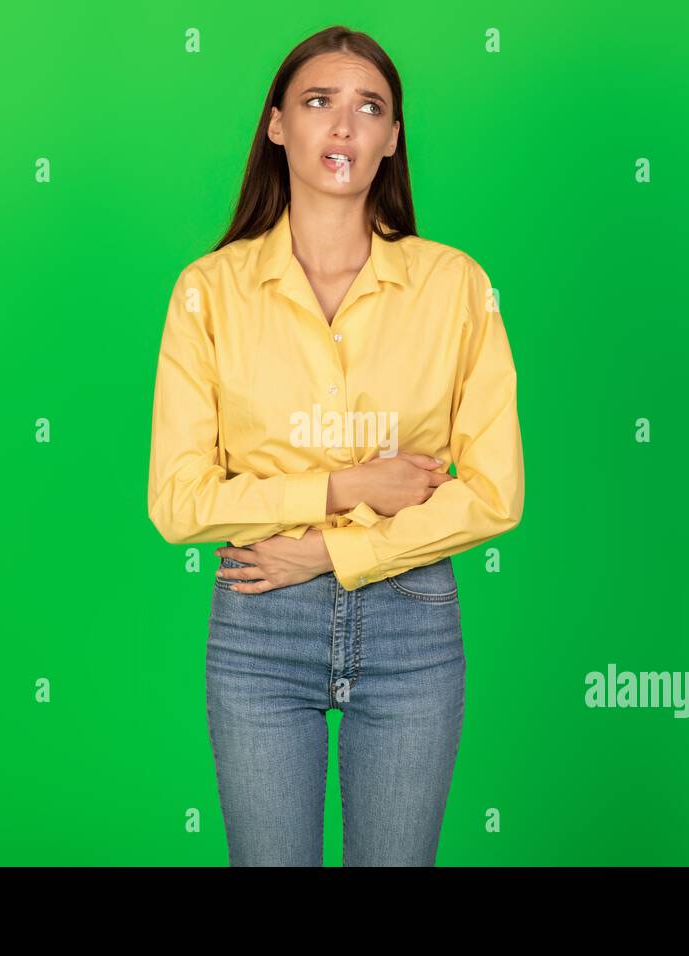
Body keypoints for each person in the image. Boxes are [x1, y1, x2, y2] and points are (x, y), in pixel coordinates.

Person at [147, 25, 524, 866]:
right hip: (259, 624)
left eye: (370, 108)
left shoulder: (454, 285)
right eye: (320, 102)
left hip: (411, 624)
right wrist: (349, 484)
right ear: (278, 123)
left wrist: (324, 551)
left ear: (392, 139)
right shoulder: (209, 292)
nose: (344, 127)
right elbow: (178, 503)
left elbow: (494, 492)